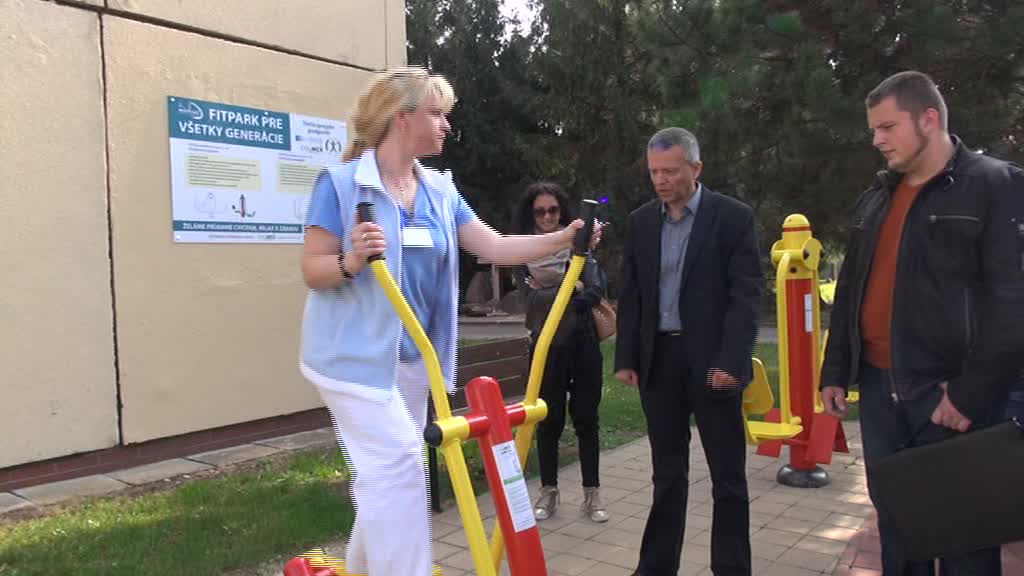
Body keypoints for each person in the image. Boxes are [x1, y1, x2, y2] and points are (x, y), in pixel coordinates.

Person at [299, 66, 599, 576]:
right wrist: (351, 260)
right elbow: (313, 269)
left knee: (387, 471)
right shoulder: (342, 185)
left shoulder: (439, 191)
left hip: (414, 357)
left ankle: (361, 566)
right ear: (402, 118)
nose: (446, 124)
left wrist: (564, 239)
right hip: (350, 357)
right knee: (400, 463)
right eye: (436, 113)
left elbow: (495, 246)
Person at [820, 70, 1024, 575]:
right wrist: (835, 370)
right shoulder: (878, 196)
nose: (877, 140)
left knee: (965, 544)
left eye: (888, 127)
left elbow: (1012, 303)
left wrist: (971, 394)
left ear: (929, 119)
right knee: (899, 536)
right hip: (880, 393)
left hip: (950, 398)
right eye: (874, 129)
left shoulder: (994, 185)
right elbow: (851, 290)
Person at [614, 127, 763, 576]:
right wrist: (627, 358)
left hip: (714, 364)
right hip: (659, 363)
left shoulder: (732, 217)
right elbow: (632, 294)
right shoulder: (642, 222)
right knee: (667, 474)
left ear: (696, 168)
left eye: (671, 171)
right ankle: (656, 567)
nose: (661, 180)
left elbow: (745, 295)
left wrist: (732, 360)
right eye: (654, 172)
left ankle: (732, 569)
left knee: (728, 477)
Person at [511, 182, 609, 523]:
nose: (547, 217)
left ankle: (592, 494)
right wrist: (572, 288)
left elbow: (595, 292)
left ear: (562, 212)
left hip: (583, 342)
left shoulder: (579, 246)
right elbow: (529, 301)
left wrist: (555, 293)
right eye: (540, 212)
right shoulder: (524, 253)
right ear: (531, 215)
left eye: (553, 210)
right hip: (546, 347)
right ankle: (548, 492)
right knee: (548, 421)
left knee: (587, 419)